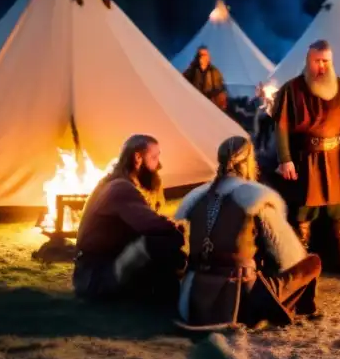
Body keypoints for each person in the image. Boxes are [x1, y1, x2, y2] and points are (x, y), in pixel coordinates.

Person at [174, 136, 322, 329]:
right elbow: (289, 256)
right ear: (248, 162)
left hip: (193, 297)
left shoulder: (196, 197)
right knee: (312, 263)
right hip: (240, 299)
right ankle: (302, 309)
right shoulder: (255, 197)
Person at [272, 39, 340, 272]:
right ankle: (302, 260)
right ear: (308, 61)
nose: (321, 66)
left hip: (337, 158)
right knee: (304, 211)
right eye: (316, 61)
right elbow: (281, 127)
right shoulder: (292, 90)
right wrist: (285, 159)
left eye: (326, 61)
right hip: (308, 159)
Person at [72, 135, 186, 303]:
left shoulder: (112, 183)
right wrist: (176, 229)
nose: (159, 165)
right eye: (154, 157)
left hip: (93, 272)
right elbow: (151, 225)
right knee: (161, 241)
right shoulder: (120, 188)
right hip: (95, 278)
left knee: (161, 241)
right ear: (138, 158)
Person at [183, 46, 229, 110]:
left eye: (205, 55)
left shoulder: (214, 72)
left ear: (209, 57)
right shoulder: (193, 70)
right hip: (192, 102)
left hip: (208, 106)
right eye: (201, 55)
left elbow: (220, 89)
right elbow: (182, 81)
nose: (203, 57)